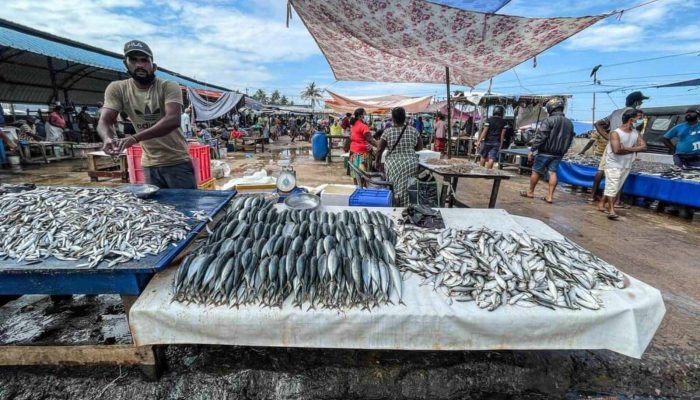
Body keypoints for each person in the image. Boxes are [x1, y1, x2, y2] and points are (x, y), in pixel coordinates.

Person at [98, 40, 196, 189]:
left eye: (144, 60)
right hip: (149, 164)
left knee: (187, 207)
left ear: (153, 66)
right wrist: (107, 138)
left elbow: (172, 120)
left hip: (177, 161)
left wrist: (135, 138)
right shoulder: (117, 88)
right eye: (134, 60)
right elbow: (105, 120)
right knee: (155, 208)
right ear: (126, 64)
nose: (139, 65)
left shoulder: (168, 86)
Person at [590, 91, 649, 202]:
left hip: (611, 146)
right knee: (621, 173)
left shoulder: (616, 112)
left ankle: (592, 195)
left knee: (601, 170)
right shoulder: (635, 114)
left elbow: (598, 124)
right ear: (636, 102)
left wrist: (608, 138)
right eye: (640, 101)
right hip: (625, 148)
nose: (641, 103)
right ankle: (616, 201)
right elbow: (636, 131)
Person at [520, 98, 574, 204]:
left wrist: (533, 149)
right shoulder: (569, 123)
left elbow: (541, 136)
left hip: (545, 152)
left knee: (536, 171)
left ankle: (530, 192)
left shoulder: (549, 120)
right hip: (559, 154)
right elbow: (570, 139)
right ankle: (550, 196)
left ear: (550, 108)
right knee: (552, 173)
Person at [598, 109, 647, 220]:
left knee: (615, 187)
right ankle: (611, 210)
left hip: (626, 164)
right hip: (613, 164)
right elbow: (617, 150)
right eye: (638, 118)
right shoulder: (615, 133)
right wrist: (634, 149)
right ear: (631, 120)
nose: (640, 120)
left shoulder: (636, 133)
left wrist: (627, 148)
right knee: (613, 186)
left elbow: (644, 146)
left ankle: (602, 203)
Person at [375, 107, 423, 206]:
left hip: (393, 164)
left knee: (394, 187)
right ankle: (408, 206)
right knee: (408, 187)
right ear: (405, 117)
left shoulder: (387, 132)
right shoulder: (413, 131)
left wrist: (377, 162)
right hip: (411, 164)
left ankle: (396, 205)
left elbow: (379, 150)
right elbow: (419, 148)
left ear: (392, 118)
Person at [349, 108, 376, 185]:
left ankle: (357, 190)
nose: (366, 116)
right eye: (365, 114)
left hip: (353, 153)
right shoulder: (363, 126)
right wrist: (379, 146)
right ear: (361, 116)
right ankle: (363, 191)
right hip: (362, 154)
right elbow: (370, 140)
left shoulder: (353, 125)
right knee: (364, 177)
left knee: (355, 175)